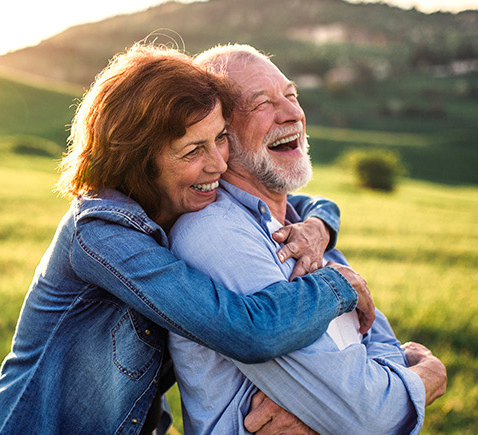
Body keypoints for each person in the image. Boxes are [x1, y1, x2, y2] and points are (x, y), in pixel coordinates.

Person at [0, 43, 377, 435]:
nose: (219, 164)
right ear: (139, 160)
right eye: (192, 151)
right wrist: (337, 284)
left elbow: (306, 202)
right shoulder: (100, 234)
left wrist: (319, 227)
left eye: (220, 138)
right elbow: (247, 331)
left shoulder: (179, 199)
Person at [168, 44, 447, 434]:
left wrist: (366, 394)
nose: (292, 113)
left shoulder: (309, 232)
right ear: (219, 134)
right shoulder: (216, 236)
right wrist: (429, 377)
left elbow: (377, 342)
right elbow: (369, 417)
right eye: (262, 102)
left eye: (292, 95)